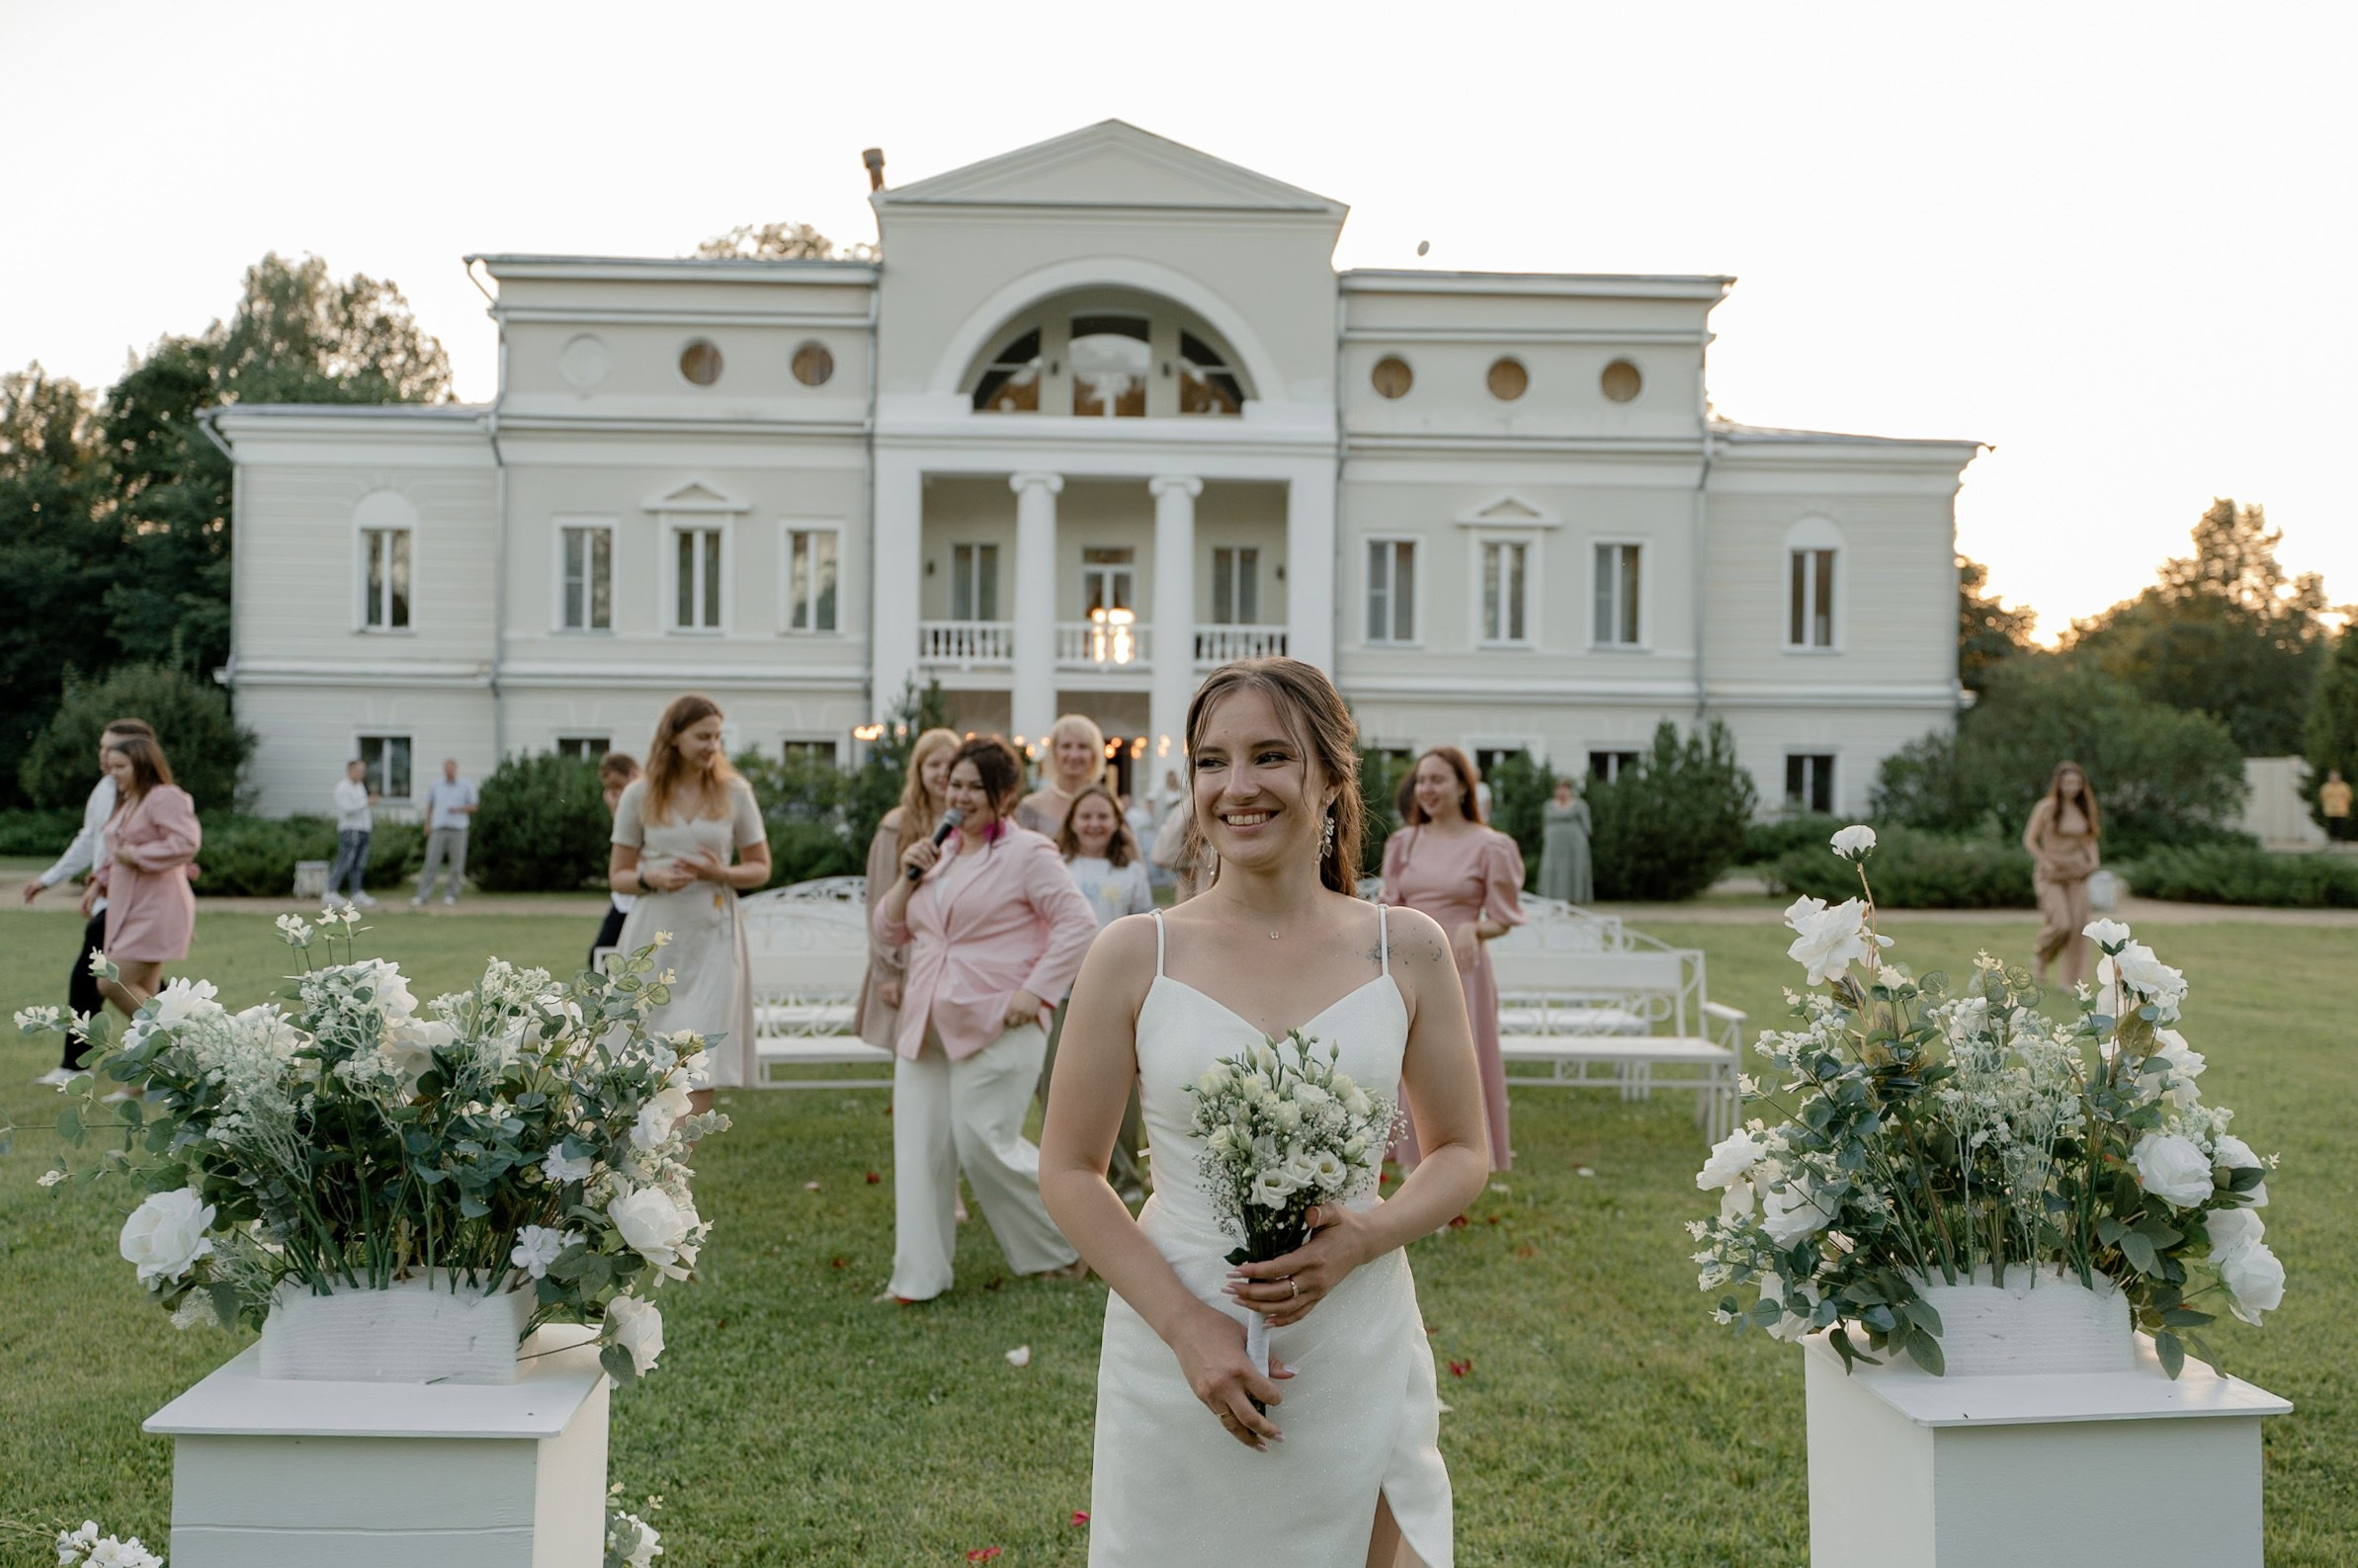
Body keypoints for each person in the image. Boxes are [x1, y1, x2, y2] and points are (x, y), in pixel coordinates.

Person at [1041, 657, 1485, 1568]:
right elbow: (1070, 1168)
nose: (1236, 787)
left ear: (1331, 777)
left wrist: (1367, 1236)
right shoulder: (1133, 953)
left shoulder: (1406, 949)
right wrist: (1184, 1325)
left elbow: (1462, 1149)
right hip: (1177, 1335)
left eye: (1270, 756)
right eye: (1212, 761)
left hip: (1354, 1336)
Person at [873, 734, 1098, 1302]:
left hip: (1001, 1021)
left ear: (1005, 796)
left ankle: (1074, 1240)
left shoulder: (1029, 853)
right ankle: (917, 1279)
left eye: (976, 787)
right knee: (920, 1153)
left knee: (983, 1143)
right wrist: (907, 876)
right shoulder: (937, 852)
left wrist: (1036, 992)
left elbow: (1078, 923)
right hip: (926, 1023)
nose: (961, 796)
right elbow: (888, 930)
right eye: (955, 784)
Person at [608, 697, 772, 1110]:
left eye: (717, 737)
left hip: (713, 935)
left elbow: (760, 867)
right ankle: (647, 1145)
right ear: (674, 738)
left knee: (700, 1054)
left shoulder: (735, 792)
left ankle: (678, 1152)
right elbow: (619, 875)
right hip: (654, 934)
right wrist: (650, 877)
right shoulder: (638, 795)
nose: (712, 746)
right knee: (644, 1047)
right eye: (702, 737)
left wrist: (721, 873)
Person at [1382, 746, 1525, 1173]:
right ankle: (1409, 1159)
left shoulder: (1492, 846)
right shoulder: (1404, 843)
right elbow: (1389, 908)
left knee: (1456, 1062)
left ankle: (1459, 1159)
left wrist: (1474, 928)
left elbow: (1504, 917)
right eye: (1421, 781)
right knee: (1406, 1058)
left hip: (1462, 970)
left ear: (1463, 787)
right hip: (1408, 968)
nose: (1427, 789)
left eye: (1438, 780)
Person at [23, 717, 155, 1084]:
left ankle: (75, 1067)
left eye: (111, 749)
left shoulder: (152, 796)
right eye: (102, 747)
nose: (103, 755)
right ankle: (187, 1040)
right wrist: (48, 880)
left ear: (137, 752)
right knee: (143, 985)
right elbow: (89, 840)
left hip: (132, 903)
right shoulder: (105, 788)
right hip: (107, 901)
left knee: (90, 978)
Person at [1054, 784, 1156, 1203]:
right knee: (1058, 1085)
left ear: (1117, 823)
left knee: (1120, 1092)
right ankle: (1064, 1168)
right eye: (1086, 816)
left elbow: (1144, 926)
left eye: (1103, 816)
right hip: (1063, 991)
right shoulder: (1059, 867)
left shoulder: (1128, 872)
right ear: (1072, 823)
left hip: (1114, 997)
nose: (1094, 824)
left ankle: (1126, 1176)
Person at [856, 727, 961, 1052]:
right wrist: (886, 972)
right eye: (934, 765)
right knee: (913, 1051)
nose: (943, 773)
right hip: (907, 953)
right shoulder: (896, 825)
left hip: (957, 952)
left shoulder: (972, 825)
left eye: (950, 765)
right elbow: (879, 899)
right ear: (919, 770)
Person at [89, 732, 202, 1019]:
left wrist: (138, 855)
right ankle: (163, 1046)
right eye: (111, 767)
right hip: (129, 909)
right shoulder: (129, 802)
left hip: (158, 907)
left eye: (120, 767)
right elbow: (117, 853)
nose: (113, 773)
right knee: (146, 993)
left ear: (143, 765)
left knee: (111, 982)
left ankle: (178, 1037)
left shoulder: (163, 797)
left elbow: (186, 842)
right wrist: (98, 883)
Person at [2023, 761, 2101, 989]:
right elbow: (2029, 840)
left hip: (2077, 874)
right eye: (2067, 782)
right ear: (2058, 784)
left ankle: (2070, 982)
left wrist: (2093, 861)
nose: (2072, 787)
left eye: (2076, 783)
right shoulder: (2045, 808)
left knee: (2078, 929)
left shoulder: (2083, 809)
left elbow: (2089, 839)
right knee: (2062, 924)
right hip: (2051, 874)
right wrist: (2044, 860)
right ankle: (2041, 955)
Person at [589, 751, 641, 969]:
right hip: (624, 898)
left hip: (641, 894)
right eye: (610, 790)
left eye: (618, 786)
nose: (616, 794)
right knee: (601, 956)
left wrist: (616, 811)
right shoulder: (626, 808)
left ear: (632, 775)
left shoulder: (648, 804)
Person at [1015, 712, 1107, 836]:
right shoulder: (1032, 806)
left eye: (1083, 747)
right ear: (1054, 752)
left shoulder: (1108, 806)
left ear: (1094, 754)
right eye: (1066, 746)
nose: (1074, 755)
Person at [413, 758, 479, 906]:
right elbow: (430, 805)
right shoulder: (436, 785)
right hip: (438, 828)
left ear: (456, 769)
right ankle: (422, 895)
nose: (449, 771)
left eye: (451, 768)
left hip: (458, 829)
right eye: (446, 768)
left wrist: (460, 809)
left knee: (457, 865)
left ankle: (451, 895)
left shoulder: (466, 785)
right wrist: (427, 823)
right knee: (431, 863)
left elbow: (474, 806)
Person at [330, 759, 379, 908]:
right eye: (359, 771)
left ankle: (356, 892)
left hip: (363, 829)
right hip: (350, 829)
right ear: (350, 771)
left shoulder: (360, 786)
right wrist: (366, 803)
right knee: (344, 860)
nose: (362, 774)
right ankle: (331, 891)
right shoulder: (342, 788)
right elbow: (346, 809)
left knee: (359, 863)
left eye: (363, 771)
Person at [1538, 776, 1592, 904]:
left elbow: (1587, 827)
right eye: (1559, 788)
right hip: (1553, 847)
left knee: (1573, 871)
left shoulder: (1579, 805)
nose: (1561, 791)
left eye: (1565, 788)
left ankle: (1575, 899)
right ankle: (1551, 900)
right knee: (1552, 870)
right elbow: (1545, 824)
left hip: (1574, 846)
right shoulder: (1548, 805)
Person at [2322, 768, 2353, 844]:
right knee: (2331, 825)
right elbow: (2323, 797)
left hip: (2341, 809)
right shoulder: (2326, 787)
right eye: (2332, 777)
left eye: (2335, 777)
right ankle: (2332, 839)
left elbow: (2349, 797)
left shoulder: (2344, 786)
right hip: (2330, 810)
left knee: (2340, 825)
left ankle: (2339, 839)